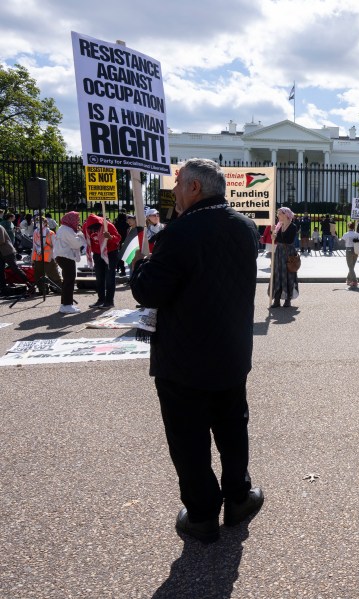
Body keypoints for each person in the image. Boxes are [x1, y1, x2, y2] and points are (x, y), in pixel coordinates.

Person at [130, 158, 264, 544]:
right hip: (231, 350)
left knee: (189, 439)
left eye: (177, 185)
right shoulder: (245, 227)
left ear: (194, 188)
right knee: (232, 428)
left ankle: (203, 514)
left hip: (184, 357)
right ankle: (238, 497)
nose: (173, 192)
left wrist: (140, 267)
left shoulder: (179, 232)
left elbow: (149, 291)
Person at [82, 214, 121, 309]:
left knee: (109, 277)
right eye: (92, 229)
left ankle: (109, 301)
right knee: (99, 278)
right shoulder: (86, 227)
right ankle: (101, 300)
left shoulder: (108, 226)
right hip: (97, 253)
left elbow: (118, 239)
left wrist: (110, 237)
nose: (94, 231)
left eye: (96, 229)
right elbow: (85, 238)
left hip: (110, 253)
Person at [53, 211, 85, 314]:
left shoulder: (64, 228)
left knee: (67, 280)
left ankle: (66, 304)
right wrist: (80, 234)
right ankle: (67, 305)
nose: (78, 221)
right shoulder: (67, 230)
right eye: (77, 219)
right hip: (66, 256)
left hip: (63, 256)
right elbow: (76, 243)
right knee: (69, 280)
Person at [270, 206, 299, 308]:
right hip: (279, 252)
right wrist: (273, 234)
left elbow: (288, 240)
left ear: (286, 215)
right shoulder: (278, 226)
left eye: (279, 214)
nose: (277, 215)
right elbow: (276, 240)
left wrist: (275, 236)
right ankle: (276, 299)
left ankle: (288, 299)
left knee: (288, 275)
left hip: (288, 252)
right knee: (278, 274)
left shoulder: (293, 227)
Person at [31, 216, 64, 293]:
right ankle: (43, 290)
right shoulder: (35, 232)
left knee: (53, 273)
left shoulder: (50, 232)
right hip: (38, 256)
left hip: (48, 257)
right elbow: (34, 245)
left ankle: (59, 287)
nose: (38, 223)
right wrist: (32, 259)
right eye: (37, 222)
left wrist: (55, 257)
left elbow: (55, 246)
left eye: (40, 222)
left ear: (45, 223)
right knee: (38, 275)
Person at [0, 223, 32, 294]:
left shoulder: (0, 227)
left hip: (7, 252)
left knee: (14, 268)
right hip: (1, 253)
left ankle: (28, 282)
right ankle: (3, 287)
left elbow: (1, 240)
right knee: (0, 270)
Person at [340, 221, 359, 289]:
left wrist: (334, 236)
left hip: (349, 249)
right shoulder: (357, 234)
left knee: (350, 266)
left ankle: (354, 280)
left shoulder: (346, 234)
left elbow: (340, 243)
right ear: (353, 227)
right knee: (352, 266)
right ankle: (348, 279)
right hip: (356, 250)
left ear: (348, 226)